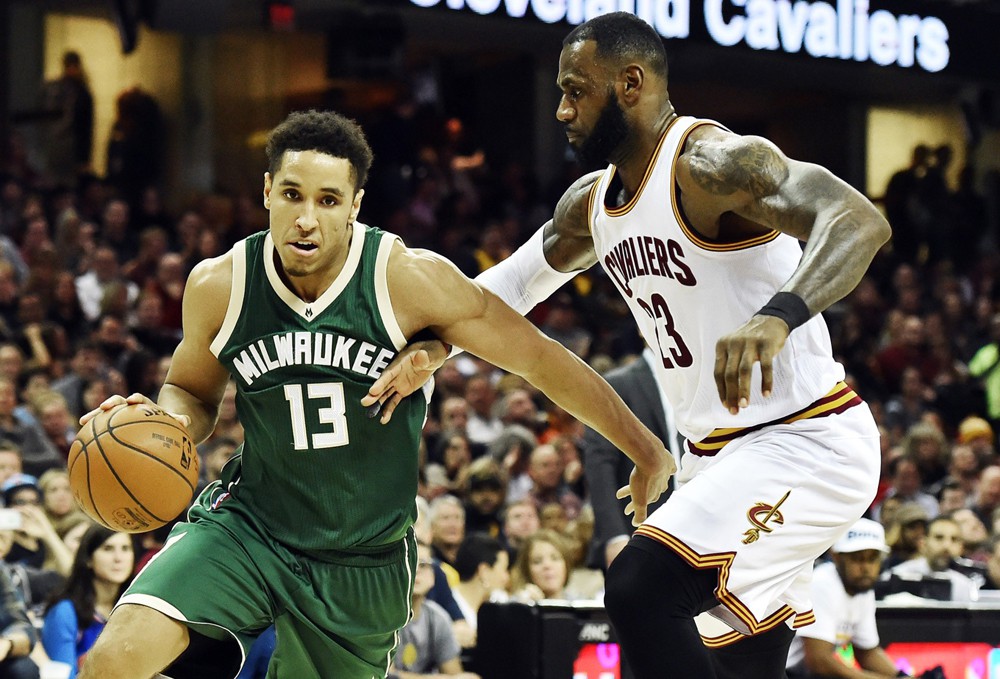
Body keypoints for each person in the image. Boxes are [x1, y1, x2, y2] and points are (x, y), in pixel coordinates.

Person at [366, 12, 890, 679]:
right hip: (714, 456)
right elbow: (504, 291)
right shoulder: (592, 204)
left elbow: (857, 220)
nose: (560, 109)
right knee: (734, 660)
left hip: (805, 439)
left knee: (641, 586)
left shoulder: (709, 163)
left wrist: (779, 313)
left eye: (576, 90)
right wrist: (437, 346)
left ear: (631, 83)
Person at [76, 109, 672, 679]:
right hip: (250, 528)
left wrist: (645, 449)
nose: (306, 218)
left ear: (355, 206)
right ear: (265, 192)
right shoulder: (219, 284)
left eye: (328, 200)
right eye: (292, 195)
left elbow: (542, 360)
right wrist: (166, 422)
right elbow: (190, 391)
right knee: (112, 661)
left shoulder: (407, 280)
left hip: (362, 562)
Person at [581, 349, 675, 570]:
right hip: (641, 527)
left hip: (696, 523)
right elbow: (600, 465)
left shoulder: (698, 381)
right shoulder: (618, 383)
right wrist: (614, 536)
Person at [785, 518, 899, 679]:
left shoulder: (863, 589)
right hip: (782, 672)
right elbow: (819, 662)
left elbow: (867, 652)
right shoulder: (821, 583)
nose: (866, 567)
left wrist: (901, 676)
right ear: (837, 557)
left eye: (872, 559)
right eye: (857, 558)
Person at [41, 525, 133, 679]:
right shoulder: (64, 611)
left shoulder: (136, 611)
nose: (119, 558)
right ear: (88, 559)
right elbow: (62, 675)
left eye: (125, 548)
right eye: (108, 549)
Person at [389, 542, 479, 679]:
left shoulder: (438, 617)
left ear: (433, 576)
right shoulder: (381, 616)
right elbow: (385, 675)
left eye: (424, 565)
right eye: (409, 561)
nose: (416, 570)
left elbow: (454, 673)